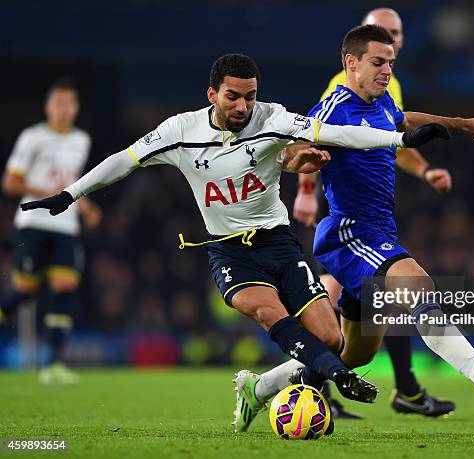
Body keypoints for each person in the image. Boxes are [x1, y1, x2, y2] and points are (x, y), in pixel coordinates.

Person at [19, 54, 450, 429]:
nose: (244, 106)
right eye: (233, 97)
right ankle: (334, 376)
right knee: (269, 313)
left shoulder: (271, 117)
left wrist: (400, 139)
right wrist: (70, 194)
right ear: (213, 95)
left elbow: (334, 133)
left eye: (250, 96)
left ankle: (258, 390)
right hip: (229, 250)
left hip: (278, 244)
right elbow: (125, 161)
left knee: (331, 336)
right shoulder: (180, 130)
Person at [240, 26, 474, 427]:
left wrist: (459, 124)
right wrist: (303, 172)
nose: (387, 70)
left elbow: (403, 117)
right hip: (349, 233)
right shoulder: (333, 108)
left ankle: (259, 388)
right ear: (351, 62)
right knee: (420, 286)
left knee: (355, 354)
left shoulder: (381, 101)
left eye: (390, 63)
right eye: (378, 62)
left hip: (378, 233)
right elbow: (294, 145)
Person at [294, 7, 455, 419]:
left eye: (400, 34)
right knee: (368, 289)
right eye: (391, 34)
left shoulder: (386, 83)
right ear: (356, 58)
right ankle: (323, 388)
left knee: (376, 303)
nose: (398, 40)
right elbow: (321, 139)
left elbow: (391, 142)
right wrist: (307, 191)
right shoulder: (348, 85)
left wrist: (425, 169)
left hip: (374, 214)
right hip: (347, 218)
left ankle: (313, 384)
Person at [0, 77, 102, 384]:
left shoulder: (81, 140)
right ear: (48, 107)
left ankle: (54, 364)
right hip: (34, 224)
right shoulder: (33, 137)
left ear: (76, 108)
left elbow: (71, 183)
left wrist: (86, 207)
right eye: (58, 103)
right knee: (25, 290)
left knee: (64, 287)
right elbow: (10, 182)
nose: (63, 109)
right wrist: (45, 190)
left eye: (69, 104)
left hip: (66, 226)